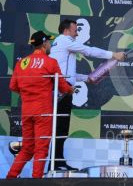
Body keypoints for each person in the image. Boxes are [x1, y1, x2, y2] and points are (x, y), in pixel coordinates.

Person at [49, 19, 125, 170]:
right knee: (60, 128)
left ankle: (57, 162)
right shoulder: (64, 41)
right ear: (66, 30)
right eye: (75, 30)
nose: (77, 33)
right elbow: (88, 51)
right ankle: (56, 163)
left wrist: (86, 79)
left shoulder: (62, 44)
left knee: (61, 128)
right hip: (62, 91)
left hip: (63, 89)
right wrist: (114, 54)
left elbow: (68, 74)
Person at [6, 31, 74, 178]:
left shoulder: (22, 63)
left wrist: (28, 93)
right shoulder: (51, 62)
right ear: (44, 43)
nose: (50, 45)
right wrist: (71, 90)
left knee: (27, 148)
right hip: (43, 111)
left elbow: (13, 86)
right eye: (48, 42)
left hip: (27, 110)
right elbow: (63, 87)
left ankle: (10, 178)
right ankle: (37, 180)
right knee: (41, 148)